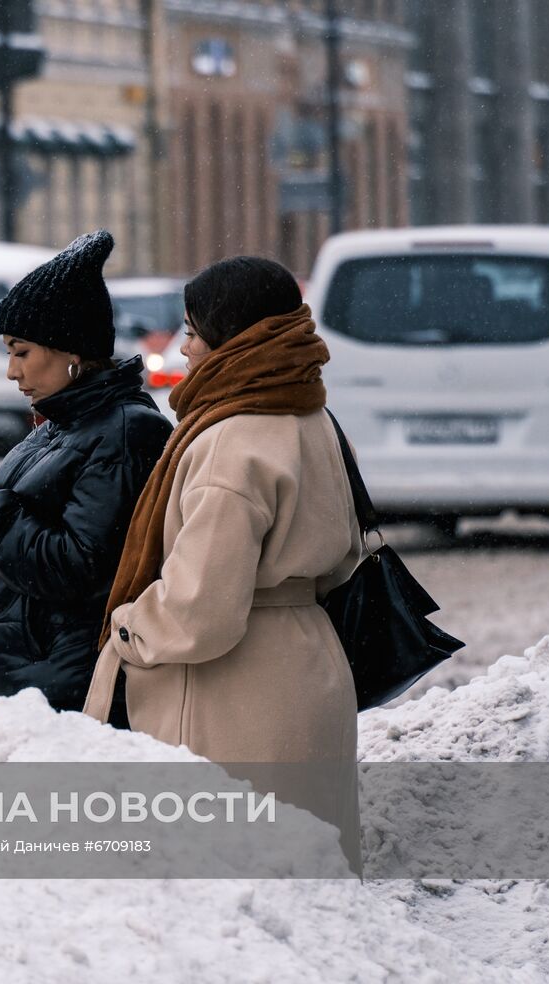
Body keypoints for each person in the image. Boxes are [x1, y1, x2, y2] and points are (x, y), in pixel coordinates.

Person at [82, 256, 364, 765]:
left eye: (192, 331)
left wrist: (128, 627)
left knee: (233, 840)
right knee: (312, 843)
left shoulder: (232, 438)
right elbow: (344, 556)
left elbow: (200, 610)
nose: (185, 347)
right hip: (310, 670)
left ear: (230, 337)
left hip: (233, 698)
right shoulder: (311, 414)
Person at [0, 230, 172, 715]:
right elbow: (1, 564)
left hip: (69, 688)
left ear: (71, 351)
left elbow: (77, 569)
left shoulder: (124, 431)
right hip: (30, 679)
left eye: (21, 351)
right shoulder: (59, 425)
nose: (12, 371)